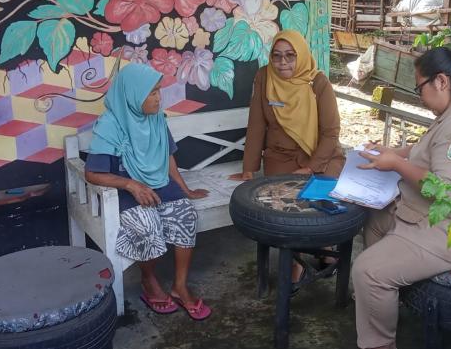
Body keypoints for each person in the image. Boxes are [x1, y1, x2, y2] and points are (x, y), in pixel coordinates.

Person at [351, 46, 451, 349]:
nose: (419, 95)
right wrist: (393, 153)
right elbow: (429, 150)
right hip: (429, 214)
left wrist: (396, 165)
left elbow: (447, 191)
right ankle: (380, 301)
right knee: (375, 219)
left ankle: (379, 340)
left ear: (441, 81)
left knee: (367, 271)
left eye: (419, 87)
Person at [85, 63, 212, 321]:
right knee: (149, 224)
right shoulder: (111, 124)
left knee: (186, 215)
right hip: (124, 189)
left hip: (159, 182)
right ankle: (148, 279)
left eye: (158, 91)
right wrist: (131, 185)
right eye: (152, 93)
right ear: (133, 95)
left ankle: (179, 286)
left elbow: (168, 156)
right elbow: (92, 173)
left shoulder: (156, 118)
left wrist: (185, 190)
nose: (158, 98)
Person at [229, 29, 346, 284]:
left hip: (321, 155)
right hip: (280, 156)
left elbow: (331, 133)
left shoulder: (318, 83)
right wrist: (249, 168)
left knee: (320, 202)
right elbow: (257, 124)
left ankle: (326, 248)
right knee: (285, 205)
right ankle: (296, 261)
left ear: (301, 55)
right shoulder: (264, 77)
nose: (283, 63)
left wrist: (311, 167)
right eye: (277, 56)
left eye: (290, 56)